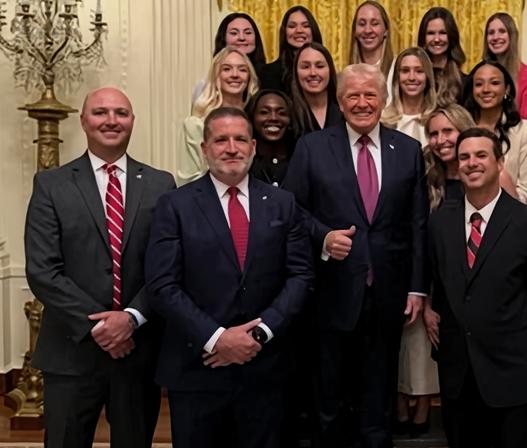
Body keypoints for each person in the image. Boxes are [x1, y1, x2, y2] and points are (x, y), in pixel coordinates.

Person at [146, 107, 313, 448]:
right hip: (197, 368)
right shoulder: (174, 205)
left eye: (240, 139)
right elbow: (163, 285)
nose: (231, 148)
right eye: (221, 140)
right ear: (205, 149)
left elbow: (300, 276)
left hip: (265, 367)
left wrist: (259, 333)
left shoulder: (283, 204)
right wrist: (217, 338)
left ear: (253, 146)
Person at [282, 63, 428, 448]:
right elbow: (292, 210)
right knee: (329, 395)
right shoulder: (312, 147)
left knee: (378, 395)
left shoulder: (408, 151)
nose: (362, 103)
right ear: (340, 102)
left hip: (389, 294)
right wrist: (324, 236)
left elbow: (417, 225)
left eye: (370, 95)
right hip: (330, 291)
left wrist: (416, 289)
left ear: (383, 100)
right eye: (353, 96)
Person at [24, 87, 175, 448]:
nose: (111, 121)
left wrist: (131, 319)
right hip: (71, 352)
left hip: (137, 352)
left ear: (132, 122)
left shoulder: (160, 184)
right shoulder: (51, 184)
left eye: (121, 113)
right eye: (101, 112)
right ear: (84, 121)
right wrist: (104, 325)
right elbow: (43, 270)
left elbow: (167, 265)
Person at [428, 127, 527, 448]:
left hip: (512, 377)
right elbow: (442, 288)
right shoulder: (440, 223)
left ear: (500, 162)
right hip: (458, 377)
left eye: (481, 155)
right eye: (464, 157)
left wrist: (524, 353)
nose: (472, 163)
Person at [380, 46, 438, 437]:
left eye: (419, 71)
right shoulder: (383, 119)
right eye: (405, 70)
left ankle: (421, 403)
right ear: (396, 76)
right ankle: (396, 400)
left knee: (421, 327)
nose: (412, 77)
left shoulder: (439, 119)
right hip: (389, 234)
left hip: (431, 225)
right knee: (393, 327)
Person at [462, 60, 527, 207]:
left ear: (507, 89)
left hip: (510, 217)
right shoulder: (462, 129)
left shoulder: (525, 130)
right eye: (478, 84)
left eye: (494, 83)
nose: (486, 89)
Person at [180, 47, 258, 185]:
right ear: (216, 76)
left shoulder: (257, 120)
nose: (235, 74)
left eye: (242, 69)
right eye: (227, 69)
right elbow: (188, 178)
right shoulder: (197, 124)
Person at [422, 104, 517, 211]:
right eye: (434, 134)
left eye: (447, 131)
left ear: (465, 131)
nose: (440, 140)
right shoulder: (427, 174)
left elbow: (516, 219)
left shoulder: (497, 176)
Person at [482, 12, 527, 129]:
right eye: (491, 33)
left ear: (512, 35)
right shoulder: (479, 75)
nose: (496, 37)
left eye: (502, 31)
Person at [191, 12, 268, 102]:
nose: (242, 37)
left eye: (248, 32)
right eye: (234, 33)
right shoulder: (205, 88)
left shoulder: (269, 80)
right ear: (223, 38)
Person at [262, 6, 323, 93]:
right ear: (285, 32)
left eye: (305, 26)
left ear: (313, 31)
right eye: (292, 26)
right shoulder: (268, 73)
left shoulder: (325, 70)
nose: (299, 30)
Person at [291, 42, 344, 138]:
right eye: (305, 67)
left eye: (320, 66)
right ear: (296, 72)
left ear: (330, 70)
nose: (313, 73)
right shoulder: (288, 114)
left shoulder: (345, 110)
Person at [246, 89, 296, 187]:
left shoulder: (300, 160)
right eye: (264, 112)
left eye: (281, 113)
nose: (273, 118)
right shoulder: (244, 163)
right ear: (252, 118)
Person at [417, 7, 466, 106]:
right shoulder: (416, 78)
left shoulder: (465, 82)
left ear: (452, 36)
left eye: (443, 33)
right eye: (431, 33)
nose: (436, 39)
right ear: (423, 38)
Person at [349, 1, 395, 102]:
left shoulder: (398, 70)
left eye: (374, 23)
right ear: (354, 32)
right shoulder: (346, 76)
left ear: (386, 30)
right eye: (362, 24)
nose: (368, 30)